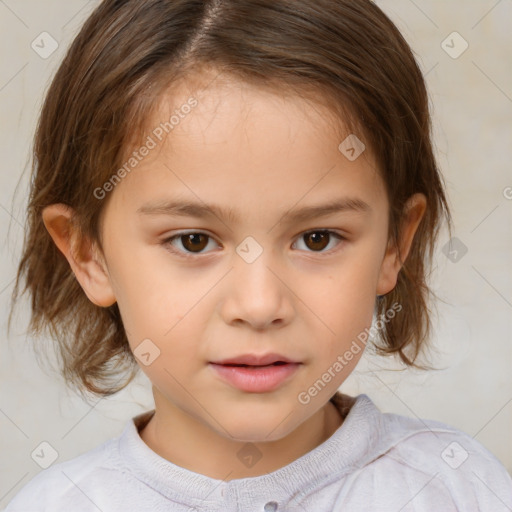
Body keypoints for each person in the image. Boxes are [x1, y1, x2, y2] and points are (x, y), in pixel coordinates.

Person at [6, 0, 512, 510]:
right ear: (89, 254)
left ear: (393, 245)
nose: (258, 304)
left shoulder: (459, 489)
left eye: (317, 239)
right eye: (193, 241)